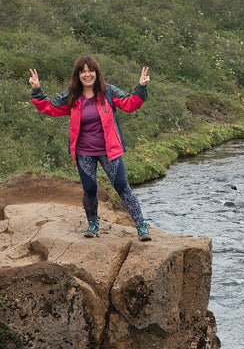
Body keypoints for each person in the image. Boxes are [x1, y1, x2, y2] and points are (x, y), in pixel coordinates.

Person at [28, 57, 153, 241]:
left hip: (109, 150)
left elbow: (130, 104)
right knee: (89, 188)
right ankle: (93, 224)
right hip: (84, 150)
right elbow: (51, 108)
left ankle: (141, 226)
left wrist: (140, 86)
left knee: (121, 186)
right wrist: (37, 90)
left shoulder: (108, 92)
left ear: (96, 72)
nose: (87, 75)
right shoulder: (72, 95)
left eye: (90, 70)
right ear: (78, 75)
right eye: (83, 71)